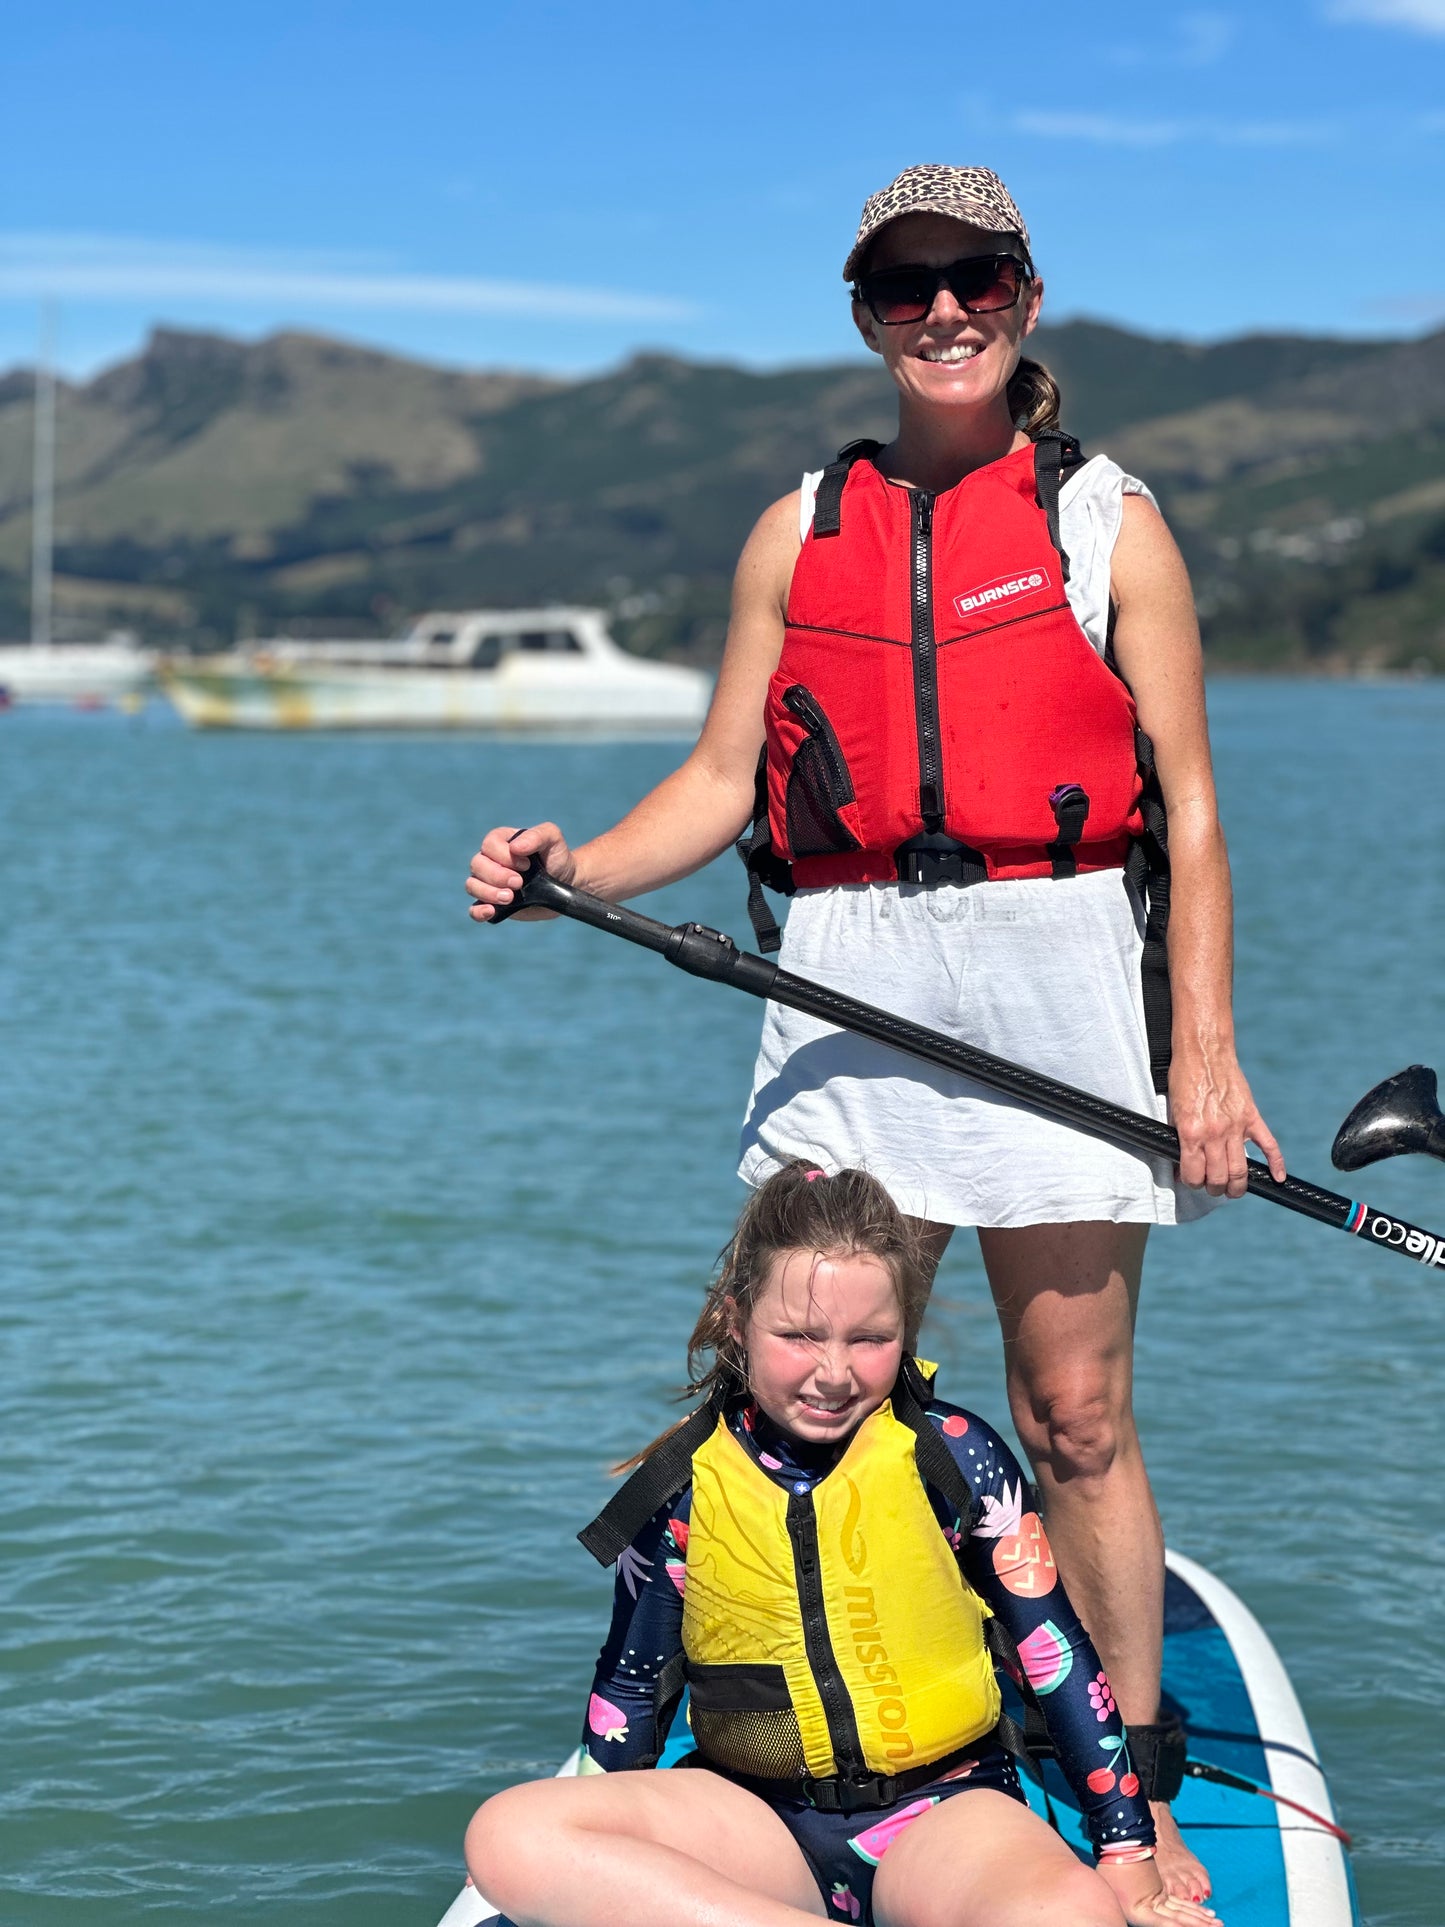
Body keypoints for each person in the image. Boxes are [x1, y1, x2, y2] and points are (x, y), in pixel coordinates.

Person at [466, 163, 1285, 1903]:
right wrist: (570, 867)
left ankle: (1123, 1770)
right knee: (824, 1387)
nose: (940, 312)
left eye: (971, 277)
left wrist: (1205, 1058)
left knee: (1070, 1415)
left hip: (1059, 977)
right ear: (861, 311)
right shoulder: (796, 527)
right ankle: (813, 1740)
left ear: (1027, 295)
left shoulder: (1109, 523)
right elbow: (714, 778)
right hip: (845, 985)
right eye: (902, 286)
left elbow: (1194, 813)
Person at [465, 1164, 1220, 1927]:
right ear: (736, 1321)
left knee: (1072, 1916)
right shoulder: (684, 1486)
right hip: (752, 1824)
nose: (833, 1372)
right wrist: (604, 1859)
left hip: (943, 1815)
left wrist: (1126, 1853)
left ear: (906, 1329)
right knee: (509, 1836)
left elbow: (1056, 1658)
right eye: (797, 1335)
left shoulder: (955, 1457)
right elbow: (629, 1694)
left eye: (869, 1339)